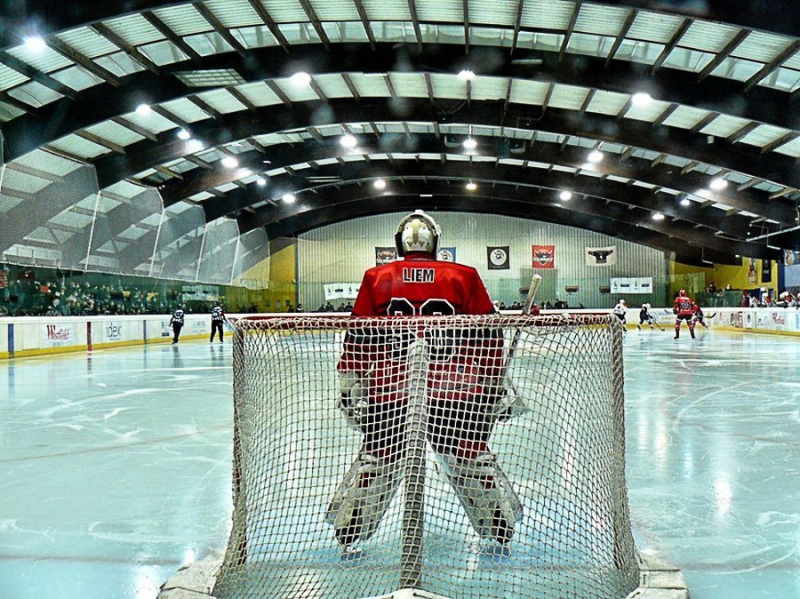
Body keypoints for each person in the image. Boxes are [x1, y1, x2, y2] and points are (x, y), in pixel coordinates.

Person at [326, 210, 522, 547]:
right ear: (435, 241)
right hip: (456, 390)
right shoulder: (464, 275)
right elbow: (489, 335)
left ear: (400, 242)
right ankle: (497, 522)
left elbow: (358, 336)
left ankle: (351, 524)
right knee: (469, 452)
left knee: (380, 453)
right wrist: (493, 381)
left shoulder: (377, 277)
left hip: (392, 390)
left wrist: (351, 380)